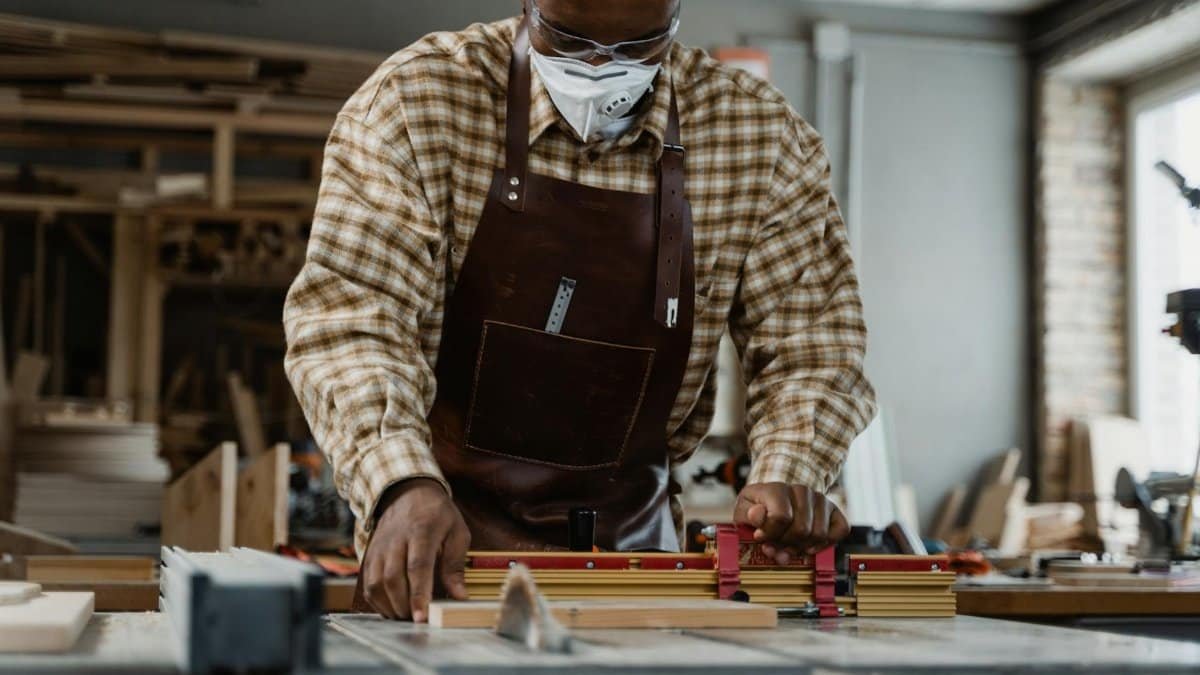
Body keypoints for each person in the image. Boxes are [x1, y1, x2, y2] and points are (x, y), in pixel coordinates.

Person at [283, 0, 876, 622]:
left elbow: (813, 345)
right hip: (436, 562)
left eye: (634, 49)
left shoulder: (760, 140)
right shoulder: (419, 101)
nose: (598, 67)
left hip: (641, 580)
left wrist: (788, 475)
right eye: (567, 40)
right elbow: (352, 321)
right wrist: (399, 483)